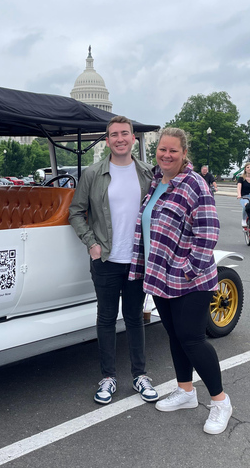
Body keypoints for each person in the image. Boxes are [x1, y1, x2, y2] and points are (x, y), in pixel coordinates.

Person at [128, 127, 232, 435]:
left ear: (184, 153)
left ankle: (220, 401)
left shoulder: (194, 185)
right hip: (160, 277)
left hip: (191, 280)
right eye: (162, 150)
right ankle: (186, 391)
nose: (166, 155)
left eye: (173, 150)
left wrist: (187, 270)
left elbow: (208, 233)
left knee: (193, 339)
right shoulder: (155, 183)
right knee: (174, 336)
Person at [69, 115, 159, 405]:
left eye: (125, 133)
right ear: (106, 141)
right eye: (114, 134)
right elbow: (76, 211)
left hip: (137, 260)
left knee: (134, 318)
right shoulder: (94, 174)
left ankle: (139, 374)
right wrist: (92, 244)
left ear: (133, 138)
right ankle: (108, 377)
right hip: (106, 258)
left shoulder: (148, 173)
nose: (120, 139)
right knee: (106, 318)